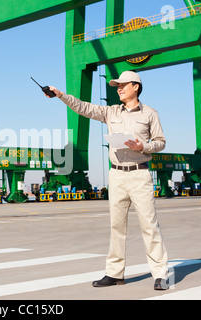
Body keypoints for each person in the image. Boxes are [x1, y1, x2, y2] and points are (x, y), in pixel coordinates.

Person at [47, 71, 169, 290]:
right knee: (116, 226)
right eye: (117, 85)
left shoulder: (150, 113)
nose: (119, 88)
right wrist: (60, 95)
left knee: (149, 226)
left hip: (140, 174)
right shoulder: (111, 112)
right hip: (117, 175)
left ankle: (160, 274)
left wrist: (144, 147)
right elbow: (84, 107)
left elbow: (160, 141)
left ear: (136, 87)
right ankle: (114, 273)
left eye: (123, 85)